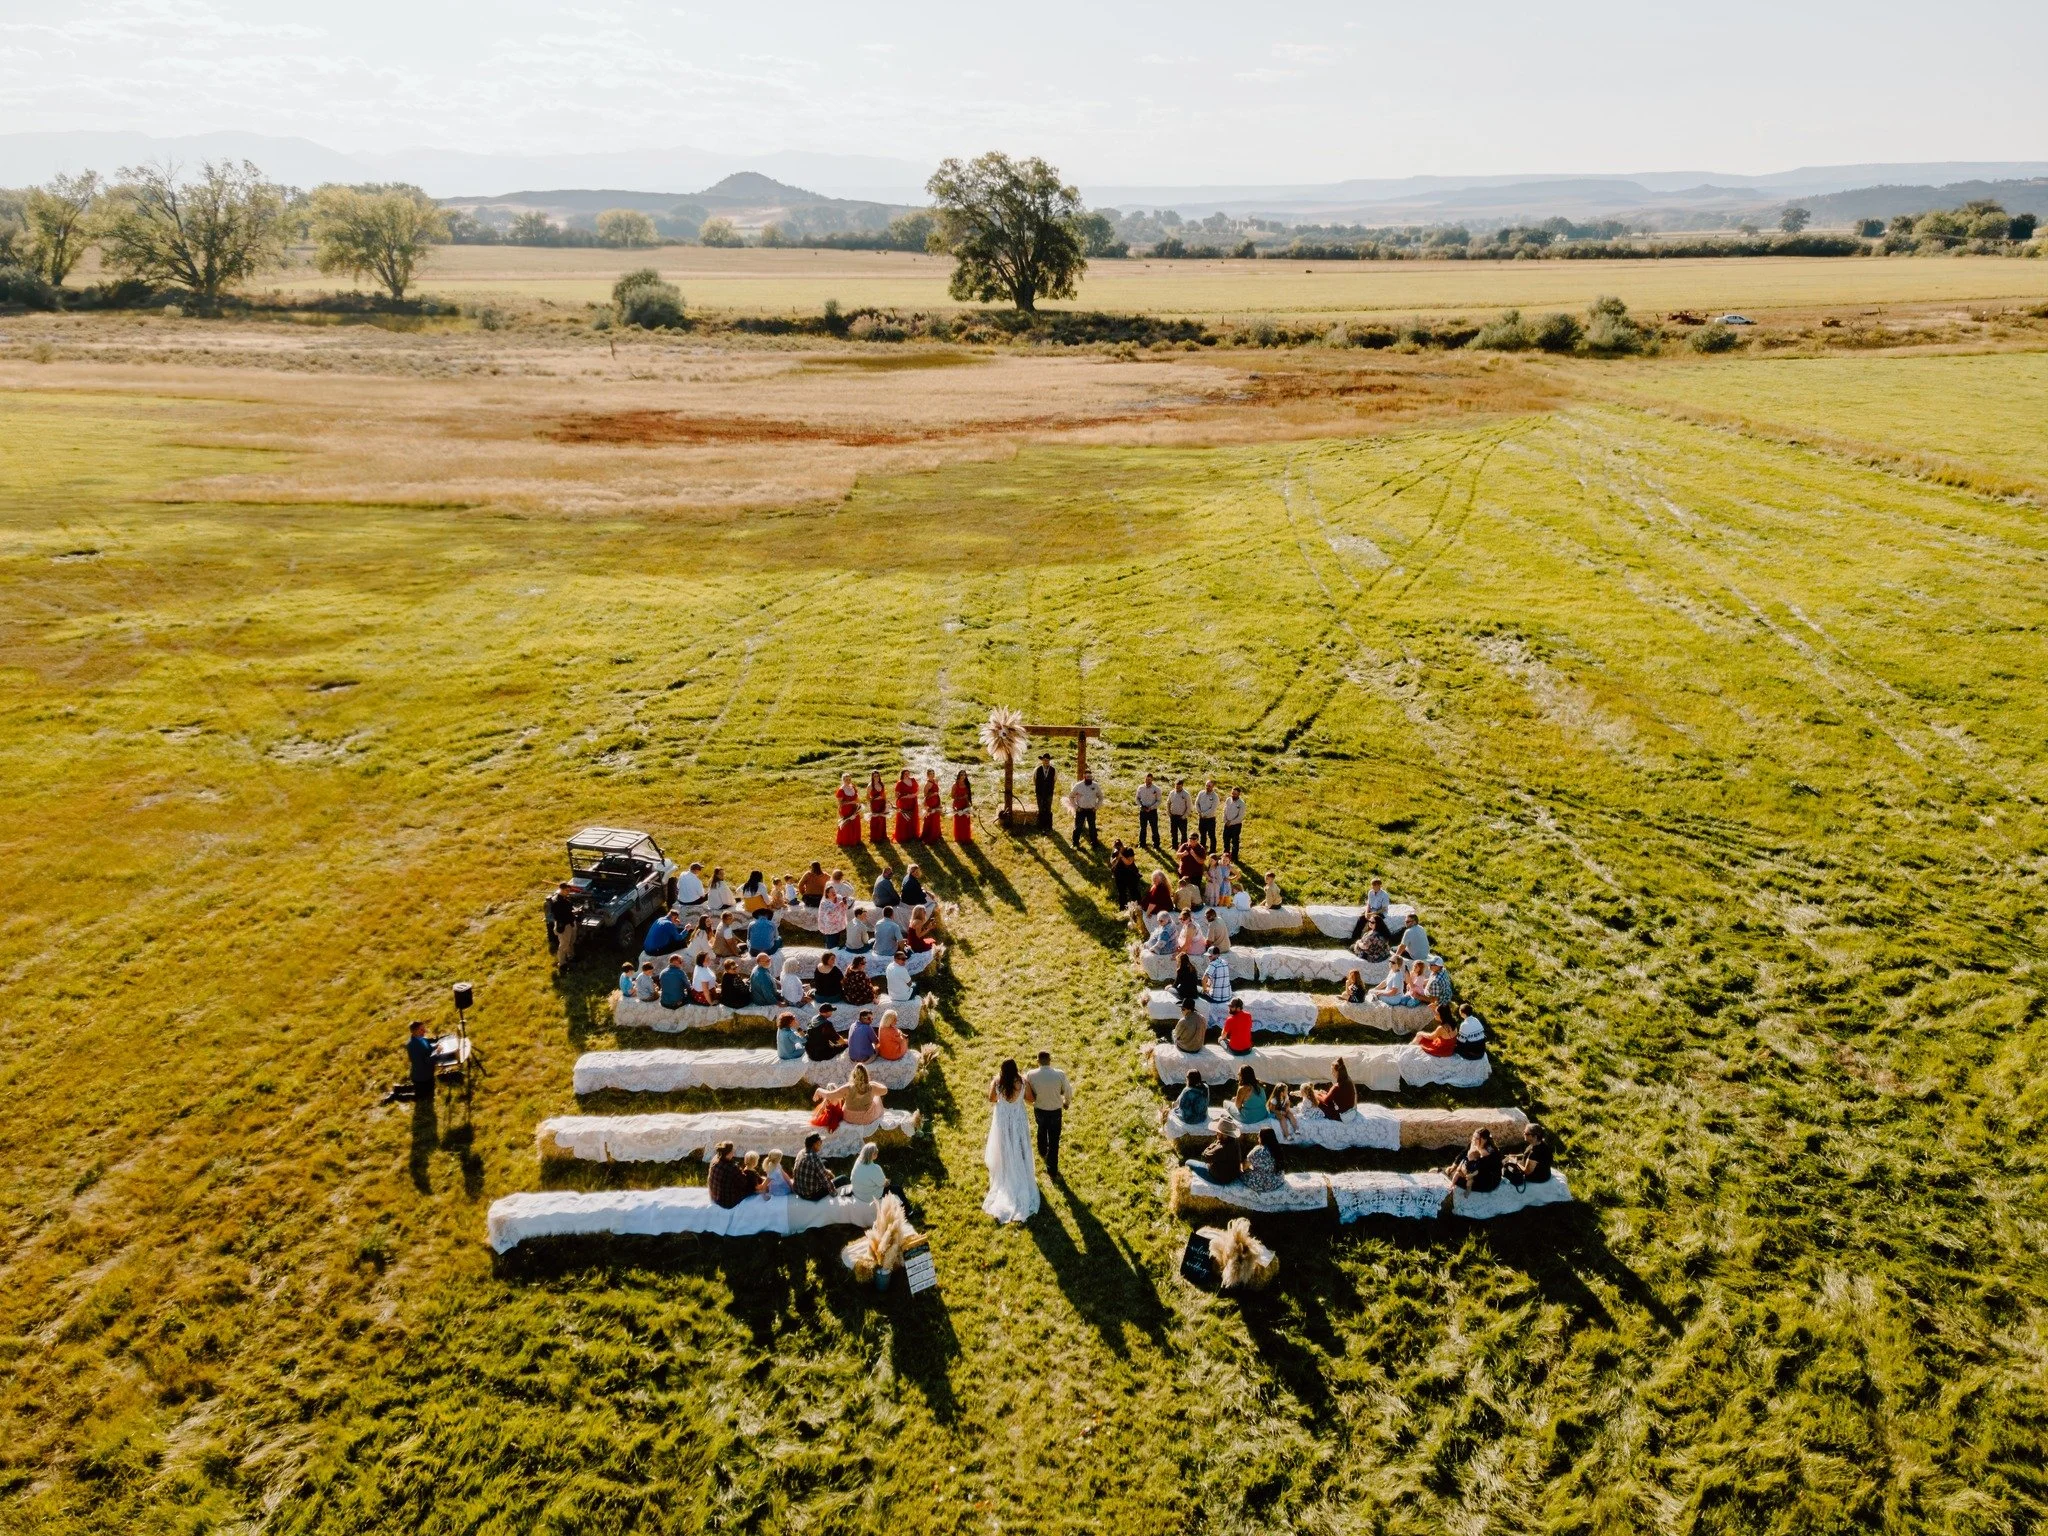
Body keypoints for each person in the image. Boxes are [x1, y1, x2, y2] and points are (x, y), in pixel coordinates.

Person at [983, 1058, 1041, 1224]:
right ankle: (1021, 1166)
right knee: (1020, 1143)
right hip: (1018, 1119)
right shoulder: (1022, 1082)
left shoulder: (997, 1083)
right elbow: (1031, 1099)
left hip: (1003, 1119)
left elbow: (992, 1099)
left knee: (1005, 1144)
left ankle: (1007, 1166)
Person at [1024, 1049, 1071, 1180]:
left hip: (1040, 1108)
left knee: (1041, 1128)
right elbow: (1067, 1090)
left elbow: (1027, 1092)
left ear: (1037, 1061)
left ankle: (1042, 1150)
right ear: (1050, 1061)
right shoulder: (1060, 1074)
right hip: (1055, 1110)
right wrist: (1066, 1103)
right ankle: (1052, 1170)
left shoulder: (1031, 1074)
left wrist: (1030, 1103)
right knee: (1054, 1140)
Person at [819, 1063, 886, 1125]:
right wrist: (873, 1083)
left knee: (848, 1098)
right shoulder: (872, 1087)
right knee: (877, 1097)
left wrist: (819, 1090)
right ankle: (880, 1112)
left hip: (848, 1117)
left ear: (853, 1075)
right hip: (866, 1119)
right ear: (866, 1075)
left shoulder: (847, 1087)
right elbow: (885, 1090)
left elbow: (829, 1094)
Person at [707, 1141, 764, 1209]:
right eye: (732, 1150)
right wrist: (752, 1173)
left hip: (715, 1197)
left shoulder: (715, 1160)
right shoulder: (732, 1168)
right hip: (727, 1202)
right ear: (728, 1153)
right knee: (753, 1187)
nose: (733, 1152)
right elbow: (745, 1184)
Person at [1447, 1128, 1503, 1193]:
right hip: (1475, 1172)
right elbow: (1464, 1153)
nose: (1473, 1139)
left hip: (1488, 1180)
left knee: (1454, 1177)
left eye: (1476, 1138)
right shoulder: (1474, 1143)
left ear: (1484, 1139)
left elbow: (1481, 1168)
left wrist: (1466, 1171)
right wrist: (1454, 1165)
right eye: (1473, 1137)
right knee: (1452, 1172)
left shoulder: (1491, 1151)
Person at [544, 882, 582, 971]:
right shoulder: (557, 902)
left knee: (571, 942)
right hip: (564, 926)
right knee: (564, 945)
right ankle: (562, 964)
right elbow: (559, 915)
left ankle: (571, 957)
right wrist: (572, 913)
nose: (568, 892)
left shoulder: (565, 899)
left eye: (569, 890)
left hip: (571, 923)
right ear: (561, 889)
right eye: (566, 890)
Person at [400, 1019, 438, 1102]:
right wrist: (437, 1053)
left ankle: (399, 1088)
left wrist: (436, 1047)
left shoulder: (420, 1038)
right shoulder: (413, 1045)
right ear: (414, 1031)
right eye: (421, 1029)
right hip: (422, 1077)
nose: (424, 1030)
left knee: (428, 1089)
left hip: (427, 1074)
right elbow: (426, 1061)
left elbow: (428, 1049)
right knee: (421, 1096)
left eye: (424, 1028)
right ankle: (395, 1096)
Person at [1505, 1123, 1553, 1188]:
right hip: (1544, 1173)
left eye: (1526, 1134)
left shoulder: (1535, 1153)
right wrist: (1515, 1156)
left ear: (1535, 1137)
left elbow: (1527, 1172)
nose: (1524, 1134)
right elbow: (1526, 1155)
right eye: (1524, 1132)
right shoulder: (1539, 1143)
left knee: (1506, 1169)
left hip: (1538, 1177)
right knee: (1507, 1161)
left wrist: (1515, 1162)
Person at [791, 1133, 835, 1201]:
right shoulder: (815, 1159)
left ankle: (824, 1172)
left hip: (799, 1190)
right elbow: (826, 1182)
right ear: (815, 1144)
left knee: (824, 1162)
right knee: (843, 1179)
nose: (821, 1144)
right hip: (811, 1195)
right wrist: (834, 1192)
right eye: (820, 1142)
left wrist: (827, 1172)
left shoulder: (801, 1152)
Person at [1240, 1127, 1284, 1193]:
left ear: (1263, 1138)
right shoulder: (1277, 1149)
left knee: (1241, 1172)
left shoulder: (1258, 1150)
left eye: (1259, 1134)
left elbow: (1244, 1167)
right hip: (1276, 1181)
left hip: (1262, 1184)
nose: (1257, 1136)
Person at [1070, 770, 1101, 846]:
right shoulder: (1078, 785)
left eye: (1090, 777)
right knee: (1078, 827)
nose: (1089, 778)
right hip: (1081, 810)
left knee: (1092, 827)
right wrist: (1076, 807)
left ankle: (1094, 842)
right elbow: (1071, 796)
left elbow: (1101, 797)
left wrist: (1096, 807)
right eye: (1087, 777)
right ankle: (1075, 843)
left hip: (1091, 810)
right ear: (1084, 777)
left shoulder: (1095, 785)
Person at [835, 773, 863, 846]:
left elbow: (857, 798)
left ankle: (855, 839)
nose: (848, 781)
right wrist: (851, 802)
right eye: (846, 780)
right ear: (843, 780)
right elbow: (840, 803)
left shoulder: (852, 787)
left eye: (849, 779)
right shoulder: (841, 790)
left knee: (855, 822)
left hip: (854, 808)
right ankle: (847, 841)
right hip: (846, 809)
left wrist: (858, 804)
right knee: (847, 824)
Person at [893, 768, 920, 843]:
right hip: (904, 803)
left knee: (913, 818)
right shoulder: (900, 783)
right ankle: (904, 836)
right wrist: (905, 796)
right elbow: (896, 795)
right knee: (904, 819)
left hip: (913, 801)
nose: (907, 775)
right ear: (902, 774)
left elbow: (918, 789)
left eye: (908, 773)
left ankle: (913, 835)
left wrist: (914, 795)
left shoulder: (913, 780)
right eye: (905, 773)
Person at [1136, 773, 1162, 848]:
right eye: (1146, 779)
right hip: (1143, 811)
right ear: (1145, 779)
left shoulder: (1156, 789)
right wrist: (1141, 806)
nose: (1148, 781)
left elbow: (1159, 801)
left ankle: (1156, 845)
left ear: (1152, 779)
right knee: (1142, 828)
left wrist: (1151, 807)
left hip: (1152, 811)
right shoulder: (1140, 788)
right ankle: (1142, 844)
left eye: (1149, 779)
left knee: (1154, 828)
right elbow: (1137, 798)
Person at [1033, 753, 1056, 834]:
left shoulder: (1053, 770)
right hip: (1039, 792)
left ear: (1049, 761)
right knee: (1041, 809)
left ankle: (1049, 826)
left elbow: (1054, 780)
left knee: (1048, 809)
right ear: (1042, 760)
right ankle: (1041, 826)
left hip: (1049, 792)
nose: (1046, 761)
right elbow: (1034, 780)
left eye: (1047, 760)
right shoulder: (1037, 769)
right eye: (1044, 760)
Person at [1195, 779, 1220, 854]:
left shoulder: (1215, 797)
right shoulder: (1201, 793)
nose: (1207, 787)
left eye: (1209, 786)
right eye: (1206, 785)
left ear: (1213, 787)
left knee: (1211, 835)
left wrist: (1204, 814)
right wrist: (1199, 812)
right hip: (1201, 818)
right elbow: (1196, 803)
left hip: (1210, 819)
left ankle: (1212, 850)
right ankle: (1202, 848)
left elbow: (1213, 809)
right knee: (1202, 834)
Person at [1166, 778, 1192, 849]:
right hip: (1173, 816)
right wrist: (1169, 812)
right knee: (1173, 833)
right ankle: (1174, 846)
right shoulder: (1172, 793)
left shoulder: (1186, 795)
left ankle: (1183, 847)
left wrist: (1184, 816)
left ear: (1182, 786)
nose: (1177, 788)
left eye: (1179, 787)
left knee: (1183, 833)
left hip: (1182, 817)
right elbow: (1168, 803)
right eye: (1176, 787)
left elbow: (1189, 807)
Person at [950, 769, 975, 842]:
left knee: (966, 820)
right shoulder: (955, 784)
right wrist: (961, 797)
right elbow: (952, 796)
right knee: (959, 820)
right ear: (959, 775)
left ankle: (966, 837)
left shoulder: (967, 783)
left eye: (964, 775)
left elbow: (968, 795)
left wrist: (968, 804)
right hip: (958, 803)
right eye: (961, 775)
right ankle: (959, 837)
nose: (963, 776)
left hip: (965, 803)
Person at [1222, 786, 1245, 859]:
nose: (1233, 795)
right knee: (1226, 839)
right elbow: (1224, 811)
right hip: (1227, 824)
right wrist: (1225, 820)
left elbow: (1240, 817)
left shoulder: (1241, 803)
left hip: (1236, 825)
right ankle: (1226, 854)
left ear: (1239, 794)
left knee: (1235, 841)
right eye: (1232, 793)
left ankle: (1234, 856)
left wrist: (1231, 822)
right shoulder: (1228, 800)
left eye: (1235, 794)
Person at [866, 770, 888, 844]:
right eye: (874, 776)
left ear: (879, 776)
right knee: (875, 819)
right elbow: (867, 797)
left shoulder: (881, 784)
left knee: (882, 818)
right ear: (872, 777)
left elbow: (884, 794)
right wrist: (872, 801)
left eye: (877, 775)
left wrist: (885, 802)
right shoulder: (870, 785)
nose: (876, 777)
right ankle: (875, 837)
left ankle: (882, 835)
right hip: (875, 804)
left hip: (882, 803)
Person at [921, 769, 943, 841]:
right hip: (930, 801)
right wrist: (933, 794)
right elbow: (925, 795)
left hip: (936, 800)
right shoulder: (927, 784)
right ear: (927, 775)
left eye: (933, 773)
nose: (932, 775)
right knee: (930, 817)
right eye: (930, 774)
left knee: (936, 817)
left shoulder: (936, 781)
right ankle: (929, 834)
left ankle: (937, 833)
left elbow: (937, 790)